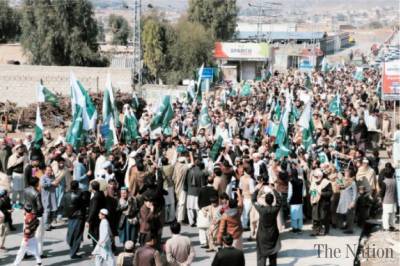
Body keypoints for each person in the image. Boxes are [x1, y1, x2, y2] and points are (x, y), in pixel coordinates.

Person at [252, 183, 282, 266]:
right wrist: (273, 189)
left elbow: (253, 200)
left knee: (261, 255)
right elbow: (279, 201)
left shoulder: (261, 209)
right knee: (273, 255)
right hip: (273, 234)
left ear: (265, 200)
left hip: (262, 235)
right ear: (273, 200)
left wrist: (257, 189)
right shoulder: (275, 209)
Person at [64, 180, 87, 259]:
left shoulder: (66, 194)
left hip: (70, 216)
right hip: (78, 217)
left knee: (71, 233)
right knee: (77, 235)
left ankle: (71, 246)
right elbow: (84, 205)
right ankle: (73, 253)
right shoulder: (80, 195)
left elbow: (64, 205)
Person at [310, 169, 333, 236]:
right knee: (315, 217)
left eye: (317, 177)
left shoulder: (326, 183)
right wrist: (314, 196)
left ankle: (325, 230)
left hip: (324, 203)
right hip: (315, 202)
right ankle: (315, 231)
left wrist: (322, 193)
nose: (316, 178)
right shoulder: (314, 182)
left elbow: (330, 193)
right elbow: (312, 191)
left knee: (323, 218)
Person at [197, 176, 218, 248]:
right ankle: (210, 242)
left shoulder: (202, 190)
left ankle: (203, 242)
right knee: (210, 228)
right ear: (213, 181)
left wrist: (201, 209)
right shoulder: (215, 190)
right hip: (211, 210)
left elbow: (198, 201)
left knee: (201, 228)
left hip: (202, 210)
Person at [336, 169, 357, 234]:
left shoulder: (352, 182)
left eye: (347, 172)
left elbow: (355, 193)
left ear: (349, 173)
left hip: (349, 200)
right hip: (342, 199)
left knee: (349, 215)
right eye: (345, 172)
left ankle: (350, 229)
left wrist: (353, 201)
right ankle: (345, 226)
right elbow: (338, 188)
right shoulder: (342, 180)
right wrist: (338, 185)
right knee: (342, 214)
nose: (345, 173)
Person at [379, 163, 398, 231]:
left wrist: (381, 199)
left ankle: (386, 227)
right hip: (393, 200)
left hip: (386, 201)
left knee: (385, 214)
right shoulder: (395, 181)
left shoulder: (384, 182)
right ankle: (392, 225)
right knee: (392, 214)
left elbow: (382, 193)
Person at [87, 181, 106, 248]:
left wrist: (88, 220)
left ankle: (97, 250)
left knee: (95, 235)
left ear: (92, 188)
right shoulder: (101, 194)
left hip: (95, 219)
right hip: (99, 217)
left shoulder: (95, 197)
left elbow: (93, 210)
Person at [40, 166, 59, 231]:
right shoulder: (43, 177)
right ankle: (45, 226)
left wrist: (56, 184)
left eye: (50, 170)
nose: (49, 172)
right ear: (45, 171)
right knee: (47, 211)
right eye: (48, 170)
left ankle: (49, 224)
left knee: (52, 211)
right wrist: (51, 183)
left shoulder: (52, 177)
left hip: (52, 197)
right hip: (46, 197)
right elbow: (42, 185)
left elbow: (56, 185)